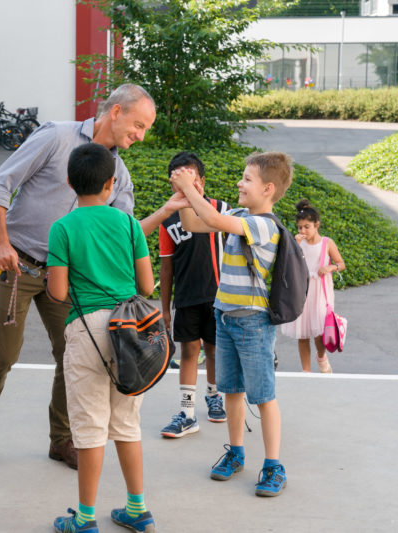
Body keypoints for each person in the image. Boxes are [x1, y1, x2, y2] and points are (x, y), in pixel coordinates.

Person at [0, 84, 158, 470]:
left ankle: (62, 439)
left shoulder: (118, 174)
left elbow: (124, 229)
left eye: (145, 130)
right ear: (116, 112)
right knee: (2, 354)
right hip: (16, 263)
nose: (140, 136)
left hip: (64, 277)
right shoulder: (57, 137)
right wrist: (1, 243)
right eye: (138, 125)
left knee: (70, 352)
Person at [169, 151, 294, 497]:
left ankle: (273, 465)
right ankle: (236, 452)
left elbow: (210, 215)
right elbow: (195, 223)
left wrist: (190, 189)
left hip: (253, 322)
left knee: (264, 396)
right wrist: (184, 196)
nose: (240, 183)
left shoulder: (263, 224)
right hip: (224, 317)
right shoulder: (239, 214)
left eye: (247, 179)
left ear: (268, 189)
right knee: (232, 392)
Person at [47, 143, 156, 533]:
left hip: (87, 331)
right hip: (130, 331)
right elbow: (146, 285)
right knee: (127, 423)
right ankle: (137, 510)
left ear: (68, 183)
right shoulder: (128, 224)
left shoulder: (62, 228)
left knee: (90, 426)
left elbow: (58, 293)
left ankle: (86, 519)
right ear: (111, 183)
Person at [159, 152, 229, 439]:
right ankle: (187, 413)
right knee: (189, 352)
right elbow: (166, 267)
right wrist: (164, 308)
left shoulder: (222, 209)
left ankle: (214, 396)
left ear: (201, 181)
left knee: (213, 350)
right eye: (179, 182)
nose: (186, 187)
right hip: (187, 296)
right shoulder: (168, 220)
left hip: (220, 296)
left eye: (192, 180)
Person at [280, 199, 345, 373]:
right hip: (301, 290)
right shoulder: (298, 242)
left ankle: (321, 356)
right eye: (300, 227)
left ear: (317, 225)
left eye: (306, 227)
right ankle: (306, 371)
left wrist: (330, 267)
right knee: (302, 333)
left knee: (319, 330)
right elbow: (288, 264)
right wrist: (295, 245)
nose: (303, 231)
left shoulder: (326, 243)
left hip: (321, 291)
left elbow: (341, 263)